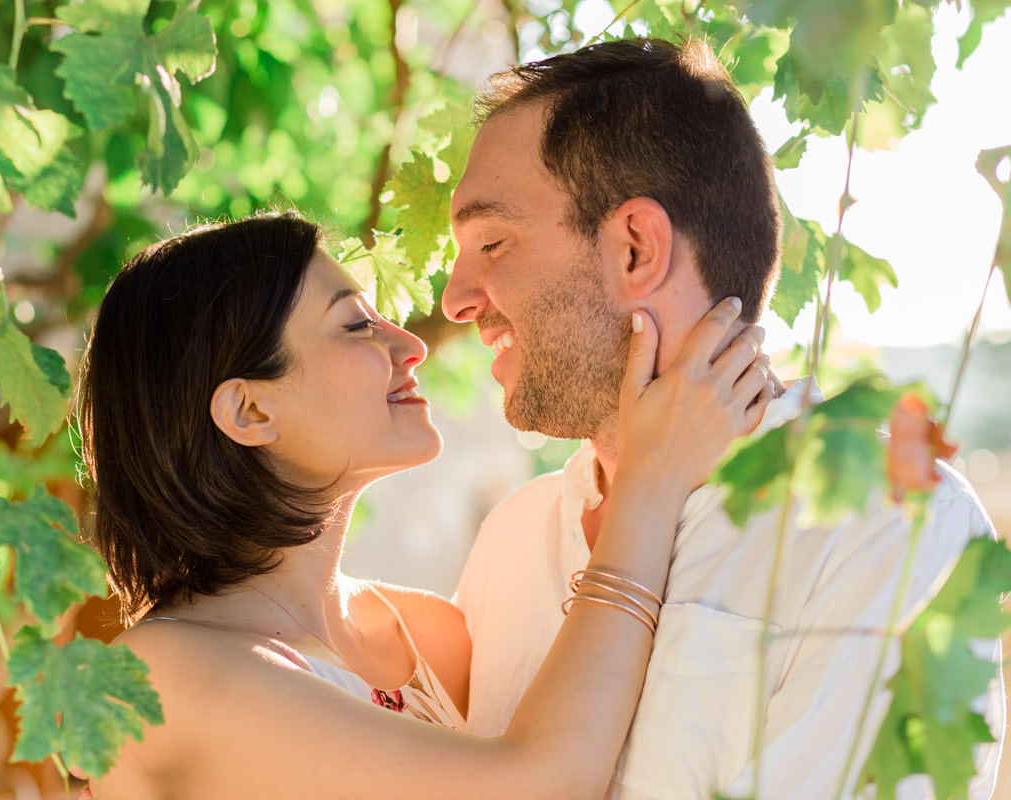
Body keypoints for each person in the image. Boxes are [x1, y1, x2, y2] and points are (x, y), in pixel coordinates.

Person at [442, 36, 1004, 799]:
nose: (456, 299)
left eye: (492, 242)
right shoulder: (509, 542)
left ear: (637, 248)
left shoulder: (890, 520)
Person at [77, 211, 772, 797]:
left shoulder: (427, 636)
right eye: (354, 326)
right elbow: (537, 783)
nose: (409, 346)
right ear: (251, 410)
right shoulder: (161, 678)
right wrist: (651, 480)